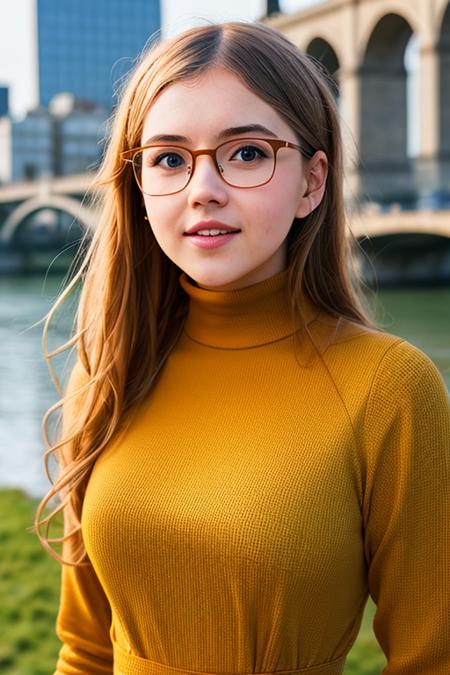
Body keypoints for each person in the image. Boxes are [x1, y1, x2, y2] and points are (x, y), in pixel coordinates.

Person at [36, 21, 450, 675]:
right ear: (139, 186)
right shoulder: (113, 365)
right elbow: (84, 651)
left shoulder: (389, 387)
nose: (203, 187)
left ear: (313, 181)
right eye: (169, 158)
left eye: (248, 152)